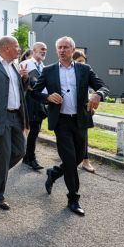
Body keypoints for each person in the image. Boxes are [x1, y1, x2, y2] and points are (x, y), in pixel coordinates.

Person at [31, 36, 108, 216]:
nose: (62, 50)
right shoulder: (49, 71)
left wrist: (98, 95)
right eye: (59, 47)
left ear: (73, 50)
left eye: (66, 47)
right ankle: (73, 198)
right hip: (61, 122)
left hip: (80, 120)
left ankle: (54, 173)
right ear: (56, 50)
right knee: (70, 160)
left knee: (79, 157)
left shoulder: (84, 69)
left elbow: (103, 86)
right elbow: (34, 92)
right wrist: (47, 98)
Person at [0, 36, 29, 211]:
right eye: (17, 47)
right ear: (6, 48)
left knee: (20, 151)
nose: (19, 50)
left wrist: (24, 79)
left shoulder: (16, 66)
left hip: (16, 116)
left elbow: (20, 92)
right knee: (4, 155)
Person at [21, 42, 48, 171]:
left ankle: (27, 156)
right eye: (41, 49)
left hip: (40, 104)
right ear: (34, 50)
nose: (44, 51)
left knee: (35, 132)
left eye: (45, 50)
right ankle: (30, 158)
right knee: (33, 131)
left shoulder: (43, 67)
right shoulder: (26, 65)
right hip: (29, 103)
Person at [71, 50, 96, 173]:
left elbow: (92, 88)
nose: (82, 64)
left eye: (83, 61)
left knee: (84, 136)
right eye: (79, 61)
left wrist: (92, 101)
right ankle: (73, 159)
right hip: (68, 111)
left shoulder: (85, 71)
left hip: (83, 109)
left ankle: (85, 161)